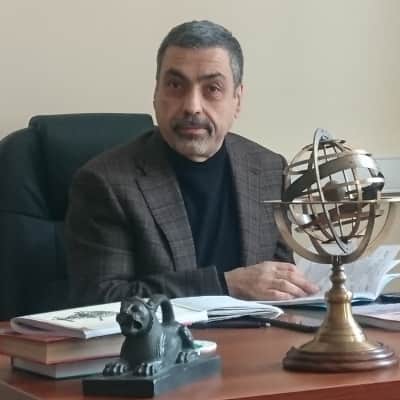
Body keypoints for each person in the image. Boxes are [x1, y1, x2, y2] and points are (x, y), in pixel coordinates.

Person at [65, 20, 318, 306]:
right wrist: (224, 285)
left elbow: (280, 284)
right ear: (156, 94)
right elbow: (102, 300)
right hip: (164, 336)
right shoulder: (106, 183)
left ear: (237, 99)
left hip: (258, 332)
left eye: (212, 88)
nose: (192, 106)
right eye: (175, 85)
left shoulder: (269, 170)